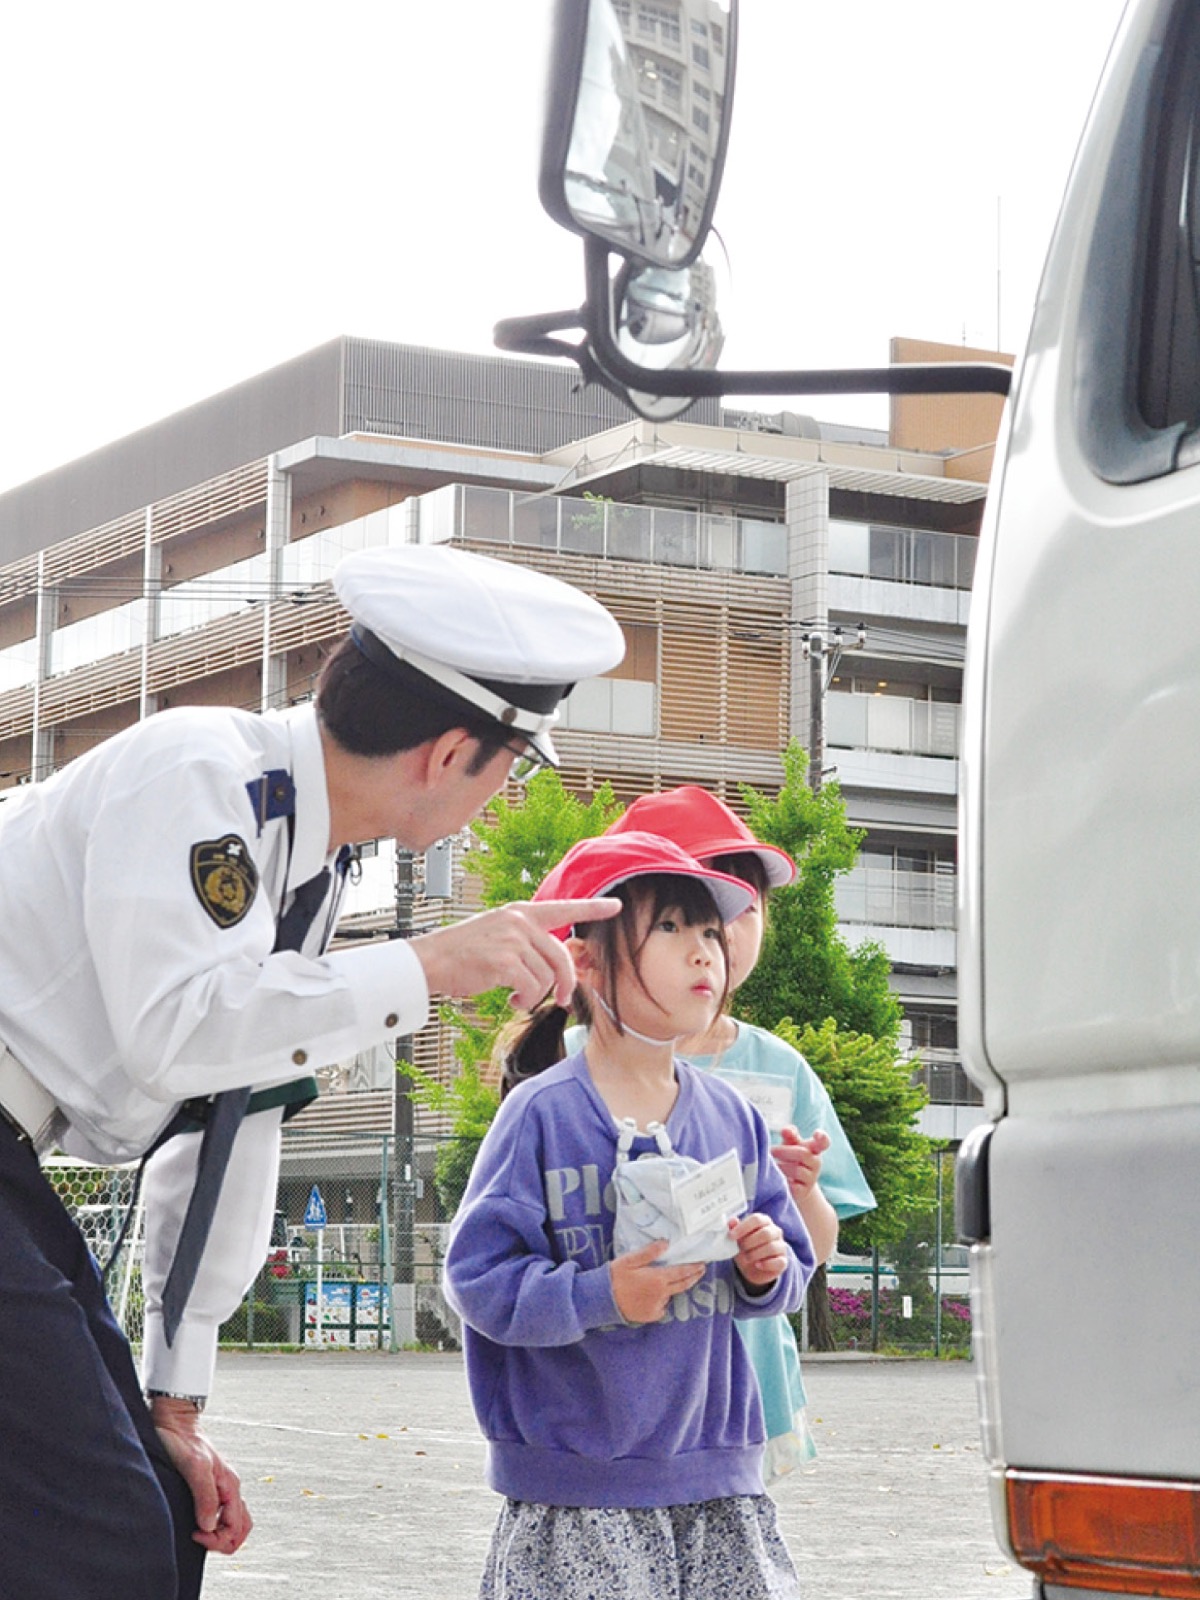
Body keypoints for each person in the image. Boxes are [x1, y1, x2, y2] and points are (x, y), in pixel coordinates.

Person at [0, 542, 626, 1600]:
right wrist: (426, 963)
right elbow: (182, 1033)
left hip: (18, 1161)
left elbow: (230, 1116)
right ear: (449, 754)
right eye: (512, 766)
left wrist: (176, 1402)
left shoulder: (304, 861)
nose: (501, 795)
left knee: (150, 1504)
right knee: (98, 1533)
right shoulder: (201, 773)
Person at [444, 830, 815, 1600]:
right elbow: (477, 1281)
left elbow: (791, 1269)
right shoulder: (540, 1116)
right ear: (585, 961)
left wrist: (765, 1267)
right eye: (672, 929)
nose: (704, 952)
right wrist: (601, 1296)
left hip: (719, 1481)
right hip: (581, 1489)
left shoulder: (732, 1119)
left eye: (710, 931)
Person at [602, 785, 877, 1478]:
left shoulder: (779, 1070)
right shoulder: (580, 1058)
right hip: (614, 1385)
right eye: (680, 916)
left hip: (745, 1390)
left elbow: (812, 1251)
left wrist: (803, 1193)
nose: (717, 934)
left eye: (741, 908)